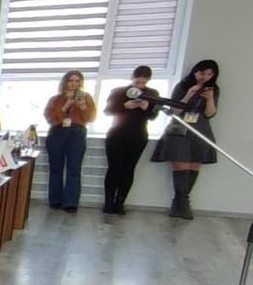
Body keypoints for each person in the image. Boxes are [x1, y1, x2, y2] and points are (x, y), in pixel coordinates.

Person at [152, 58, 220, 220]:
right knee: (181, 163)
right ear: (195, 72)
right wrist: (189, 94)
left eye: (209, 74)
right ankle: (182, 204)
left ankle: (180, 203)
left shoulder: (213, 90)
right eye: (202, 73)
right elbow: (174, 110)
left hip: (200, 129)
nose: (205, 77)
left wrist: (210, 98)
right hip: (180, 128)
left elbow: (210, 113)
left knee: (194, 165)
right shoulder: (182, 86)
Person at [103, 67, 162, 214]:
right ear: (132, 78)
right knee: (114, 168)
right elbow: (107, 111)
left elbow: (154, 116)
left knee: (129, 169)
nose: (139, 86)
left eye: (143, 83)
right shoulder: (118, 91)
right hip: (116, 134)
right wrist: (124, 106)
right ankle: (108, 203)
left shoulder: (152, 94)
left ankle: (120, 203)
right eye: (137, 82)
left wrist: (146, 107)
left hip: (138, 135)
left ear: (148, 80)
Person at [43, 70, 97, 212]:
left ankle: (70, 202)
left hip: (77, 133)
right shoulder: (55, 99)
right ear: (65, 82)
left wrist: (83, 107)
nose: (74, 84)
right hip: (57, 132)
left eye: (77, 81)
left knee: (74, 169)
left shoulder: (86, 97)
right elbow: (50, 118)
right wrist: (66, 106)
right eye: (71, 80)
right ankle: (55, 200)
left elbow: (91, 118)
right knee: (56, 168)